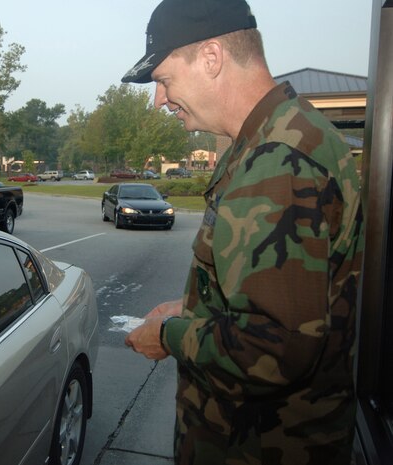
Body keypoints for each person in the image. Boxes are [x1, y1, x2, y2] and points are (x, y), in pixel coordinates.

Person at [122, 1, 364, 464]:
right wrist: (196, 307)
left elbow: (275, 346)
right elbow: (281, 296)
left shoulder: (277, 162)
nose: (159, 100)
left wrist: (170, 335)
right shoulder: (284, 136)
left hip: (257, 446)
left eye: (164, 80)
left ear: (211, 58)